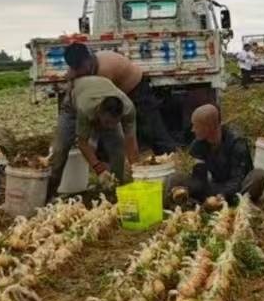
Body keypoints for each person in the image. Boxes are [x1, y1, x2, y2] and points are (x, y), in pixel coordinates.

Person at [48, 43, 175, 199]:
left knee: (118, 143)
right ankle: (50, 191)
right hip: (75, 105)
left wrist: (138, 176)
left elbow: (130, 141)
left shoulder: (124, 103)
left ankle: (116, 189)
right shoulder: (85, 107)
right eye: (76, 69)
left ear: (88, 61)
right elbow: (83, 142)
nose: (79, 72)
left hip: (130, 88)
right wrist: (99, 168)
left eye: (80, 68)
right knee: (61, 148)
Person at [170, 105, 264, 206]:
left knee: (258, 176)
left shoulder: (237, 143)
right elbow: (199, 179)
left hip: (238, 188)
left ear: (209, 127)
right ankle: (196, 204)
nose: (193, 130)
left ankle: (239, 204)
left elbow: (237, 180)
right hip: (216, 185)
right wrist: (193, 189)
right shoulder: (199, 144)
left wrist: (222, 195)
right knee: (175, 179)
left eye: (196, 126)